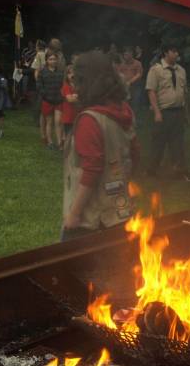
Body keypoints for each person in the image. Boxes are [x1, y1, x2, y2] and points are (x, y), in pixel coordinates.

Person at [62, 51, 139, 241]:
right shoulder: (125, 110)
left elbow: (92, 169)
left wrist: (74, 213)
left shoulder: (90, 120)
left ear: (87, 82)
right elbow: (136, 154)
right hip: (119, 212)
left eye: (77, 79)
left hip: (91, 220)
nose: (74, 83)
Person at [145, 44, 190, 181]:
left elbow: (183, 94)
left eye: (177, 51)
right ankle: (152, 170)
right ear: (166, 53)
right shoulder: (156, 70)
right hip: (163, 111)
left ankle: (179, 170)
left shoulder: (181, 70)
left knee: (177, 143)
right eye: (174, 51)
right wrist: (157, 112)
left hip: (178, 111)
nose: (177, 54)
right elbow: (151, 91)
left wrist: (186, 113)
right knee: (158, 142)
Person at [39, 52, 65, 150]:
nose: (53, 61)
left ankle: (59, 142)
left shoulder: (61, 72)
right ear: (46, 60)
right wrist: (44, 94)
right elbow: (39, 85)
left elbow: (63, 84)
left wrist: (62, 95)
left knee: (58, 121)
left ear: (57, 60)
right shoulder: (43, 72)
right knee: (49, 122)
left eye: (54, 59)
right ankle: (50, 141)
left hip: (58, 100)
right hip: (47, 100)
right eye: (50, 59)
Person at [116, 47, 144, 122]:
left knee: (135, 104)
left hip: (135, 87)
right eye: (124, 54)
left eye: (127, 54)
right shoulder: (122, 64)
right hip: (125, 87)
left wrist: (130, 82)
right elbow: (118, 74)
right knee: (126, 104)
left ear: (131, 54)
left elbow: (139, 74)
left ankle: (135, 121)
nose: (125, 56)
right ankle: (126, 120)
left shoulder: (137, 63)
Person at [61, 65, 78, 141]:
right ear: (66, 75)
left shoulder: (78, 86)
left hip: (77, 115)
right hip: (68, 116)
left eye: (74, 72)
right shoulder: (66, 86)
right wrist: (78, 97)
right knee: (69, 136)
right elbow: (70, 100)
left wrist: (75, 96)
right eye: (69, 73)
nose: (72, 75)